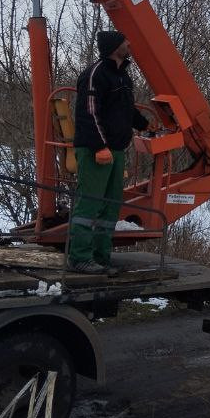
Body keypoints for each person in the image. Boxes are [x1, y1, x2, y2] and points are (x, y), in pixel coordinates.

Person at [68, 29, 150, 274]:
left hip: (116, 150)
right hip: (96, 150)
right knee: (90, 205)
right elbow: (88, 114)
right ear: (115, 46)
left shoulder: (123, 76)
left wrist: (146, 125)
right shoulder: (95, 74)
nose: (129, 43)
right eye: (125, 40)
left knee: (110, 206)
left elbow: (126, 109)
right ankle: (80, 257)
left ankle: (100, 257)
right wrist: (100, 146)